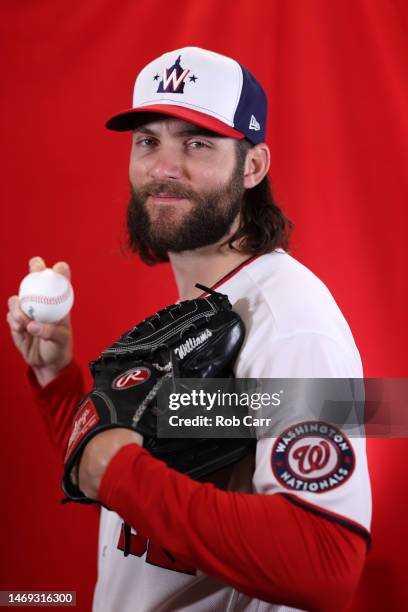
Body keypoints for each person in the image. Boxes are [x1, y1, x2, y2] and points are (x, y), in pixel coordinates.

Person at [7, 47, 371, 611]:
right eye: (148, 140)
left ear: (252, 166)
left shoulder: (293, 323)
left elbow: (328, 559)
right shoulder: (200, 311)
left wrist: (124, 473)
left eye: (197, 142)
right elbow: (103, 467)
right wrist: (56, 378)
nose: (163, 167)